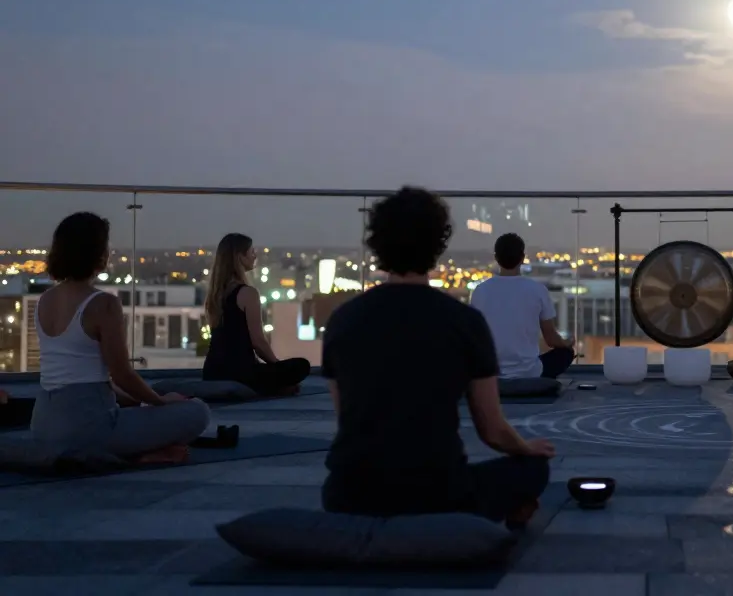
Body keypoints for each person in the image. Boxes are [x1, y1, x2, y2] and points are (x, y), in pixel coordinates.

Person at [321, 187, 553, 525]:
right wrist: (526, 448)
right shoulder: (463, 323)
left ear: (376, 243)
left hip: (349, 494)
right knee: (533, 468)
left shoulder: (342, 320)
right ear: (438, 245)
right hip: (437, 492)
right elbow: (492, 431)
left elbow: (349, 422)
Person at [30, 212, 210, 461]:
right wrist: (160, 402)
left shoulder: (44, 300)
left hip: (42, 427)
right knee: (197, 412)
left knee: (134, 412)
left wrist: (140, 403)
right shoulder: (103, 304)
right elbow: (122, 374)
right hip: (89, 428)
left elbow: (87, 377)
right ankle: (137, 457)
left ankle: (124, 452)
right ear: (98, 254)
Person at [202, 233, 311, 396]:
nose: (255, 256)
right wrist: (277, 367)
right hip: (241, 373)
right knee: (302, 365)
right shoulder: (248, 293)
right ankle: (275, 387)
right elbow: (258, 342)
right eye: (251, 252)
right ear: (240, 257)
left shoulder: (215, 294)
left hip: (212, 372)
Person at [469, 233, 575, 380]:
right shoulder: (537, 290)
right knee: (565, 354)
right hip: (529, 372)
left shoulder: (480, 291)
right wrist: (567, 343)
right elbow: (551, 339)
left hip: (491, 371)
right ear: (522, 258)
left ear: (496, 258)